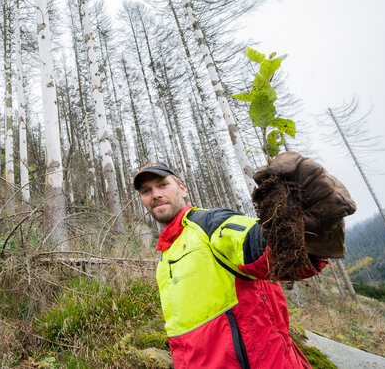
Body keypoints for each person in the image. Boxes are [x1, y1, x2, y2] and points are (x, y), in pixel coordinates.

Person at [133, 154, 355, 369]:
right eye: (146, 191)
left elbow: (258, 246)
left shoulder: (209, 225)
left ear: (182, 188)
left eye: (162, 185)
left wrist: (300, 229)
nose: (154, 194)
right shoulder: (165, 257)